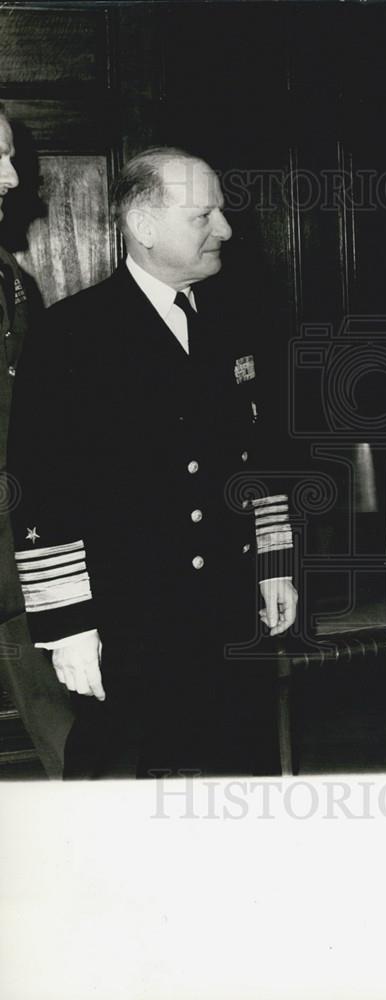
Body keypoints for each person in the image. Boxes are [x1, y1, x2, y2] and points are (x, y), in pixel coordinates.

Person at [8, 147, 297, 778]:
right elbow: (41, 489)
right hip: (132, 620)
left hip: (228, 606)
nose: (224, 228)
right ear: (143, 227)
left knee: (239, 781)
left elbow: (261, 454)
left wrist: (274, 563)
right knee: (133, 796)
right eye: (204, 216)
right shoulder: (72, 336)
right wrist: (70, 625)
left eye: (220, 211)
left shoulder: (238, 315)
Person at [0, 104, 73, 777]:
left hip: (18, 536)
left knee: (58, 712)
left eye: (11, 156)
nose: (10, 175)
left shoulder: (15, 283)